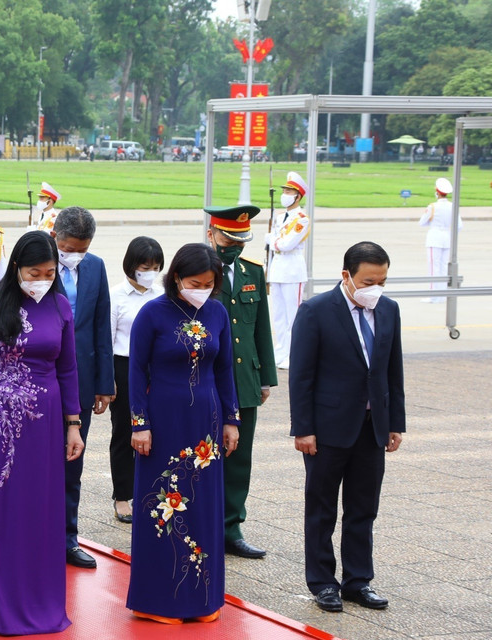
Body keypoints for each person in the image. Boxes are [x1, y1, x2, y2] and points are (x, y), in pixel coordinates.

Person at [0, 231, 82, 635]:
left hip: (44, 424)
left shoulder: (60, 306)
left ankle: (40, 601)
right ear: (16, 268)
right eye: (34, 272)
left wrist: (73, 425)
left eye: (49, 273)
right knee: (1, 513)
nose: (42, 280)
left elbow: (68, 369)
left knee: (41, 512)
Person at [126, 243, 240, 624]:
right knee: (164, 503)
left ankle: (202, 598)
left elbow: (225, 370)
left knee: (203, 505)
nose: (202, 288)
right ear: (176, 277)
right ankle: (157, 600)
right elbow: (136, 371)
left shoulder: (218, 313)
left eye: (209, 283)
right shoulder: (152, 314)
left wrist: (231, 419)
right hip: (163, 420)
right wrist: (139, 424)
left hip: (205, 425)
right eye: (195, 282)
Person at [290, 241, 405, 613]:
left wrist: (395, 422)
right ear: (346, 276)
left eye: (382, 280)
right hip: (328, 429)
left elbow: (393, 371)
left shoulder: (388, 310)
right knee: (321, 508)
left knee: (363, 508)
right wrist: (303, 428)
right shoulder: (316, 311)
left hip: (372, 427)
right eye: (369, 281)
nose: (376, 288)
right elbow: (302, 375)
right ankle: (323, 581)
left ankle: (359, 580)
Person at [206, 205, 278, 558]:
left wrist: (266, 377)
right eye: (227, 238)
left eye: (240, 240)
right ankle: (202, 523)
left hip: (244, 379)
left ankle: (231, 528)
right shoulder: (197, 271)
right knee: (203, 453)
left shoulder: (252, 272)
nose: (233, 246)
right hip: (205, 379)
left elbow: (261, 327)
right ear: (211, 233)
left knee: (238, 457)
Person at [52, 206, 113, 569]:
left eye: (82, 248)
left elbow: (101, 325)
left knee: (73, 458)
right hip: (42, 374)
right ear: (55, 237)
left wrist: (105, 383)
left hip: (83, 378)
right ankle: (35, 532)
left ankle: (67, 537)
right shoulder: (37, 263)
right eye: (69, 248)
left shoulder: (96, 267)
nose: (75, 255)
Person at [107, 236, 164, 524]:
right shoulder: (116, 296)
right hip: (125, 367)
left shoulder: (161, 294)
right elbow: (107, 339)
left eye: (155, 266)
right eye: (145, 266)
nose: (150, 272)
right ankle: (122, 496)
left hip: (158, 367)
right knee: (125, 432)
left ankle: (153, 491)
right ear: (131, 265)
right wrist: (108, 380)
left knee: (158, 430)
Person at [266, 171, 310, 369]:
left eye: (289, 191)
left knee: (294, 316)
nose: (285, 194)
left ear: (298, 196)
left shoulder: (301, 219)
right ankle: (280, 351)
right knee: (279, 316)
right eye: (284, 190)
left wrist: (272, 240)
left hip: (292, 270)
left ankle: (294, 353)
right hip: (278, 268)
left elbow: (286, 244)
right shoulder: (279, 216)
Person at [419, 177, 461, 303]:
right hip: (447, 238)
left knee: (433, 268)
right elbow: (459, 225)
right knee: (443, 268)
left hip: (434, 238)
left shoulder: (433, 206)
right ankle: (443, 295)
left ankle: (434, 296)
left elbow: (422, 222)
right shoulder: (452, 206)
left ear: (437, 191)